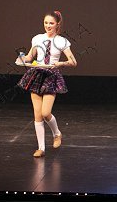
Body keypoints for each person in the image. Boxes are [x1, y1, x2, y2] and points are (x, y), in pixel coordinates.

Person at [16, 10, 77, 158]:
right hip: (37, 75)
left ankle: (57, 133)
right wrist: (22, 59)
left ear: (57, 24)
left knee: (45, 113)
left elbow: (73, 62)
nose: (48, 26)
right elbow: (30, 56)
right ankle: (41, 148)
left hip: (51, 76)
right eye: (46, 23)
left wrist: (61, 63)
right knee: (37, 115)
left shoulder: (62, 41)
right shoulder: (37, 38)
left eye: (51, 23)